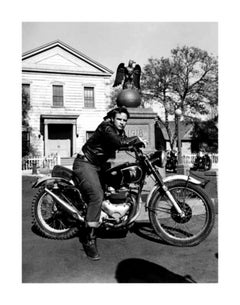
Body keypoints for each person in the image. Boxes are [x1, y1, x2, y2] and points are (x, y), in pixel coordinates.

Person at [73, 107, 147, 260]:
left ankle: (107, 217)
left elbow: (124, 143)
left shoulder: (118, 131)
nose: (122, 122)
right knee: (96, 196)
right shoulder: (106, 127)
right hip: (85, 163)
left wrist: (138, 147)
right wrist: (136, 139)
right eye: (119, 119)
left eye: (125, 120)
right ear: (113, 118)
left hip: (97, 165)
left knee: (115, 184)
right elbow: (119, 142)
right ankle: (89, 239)